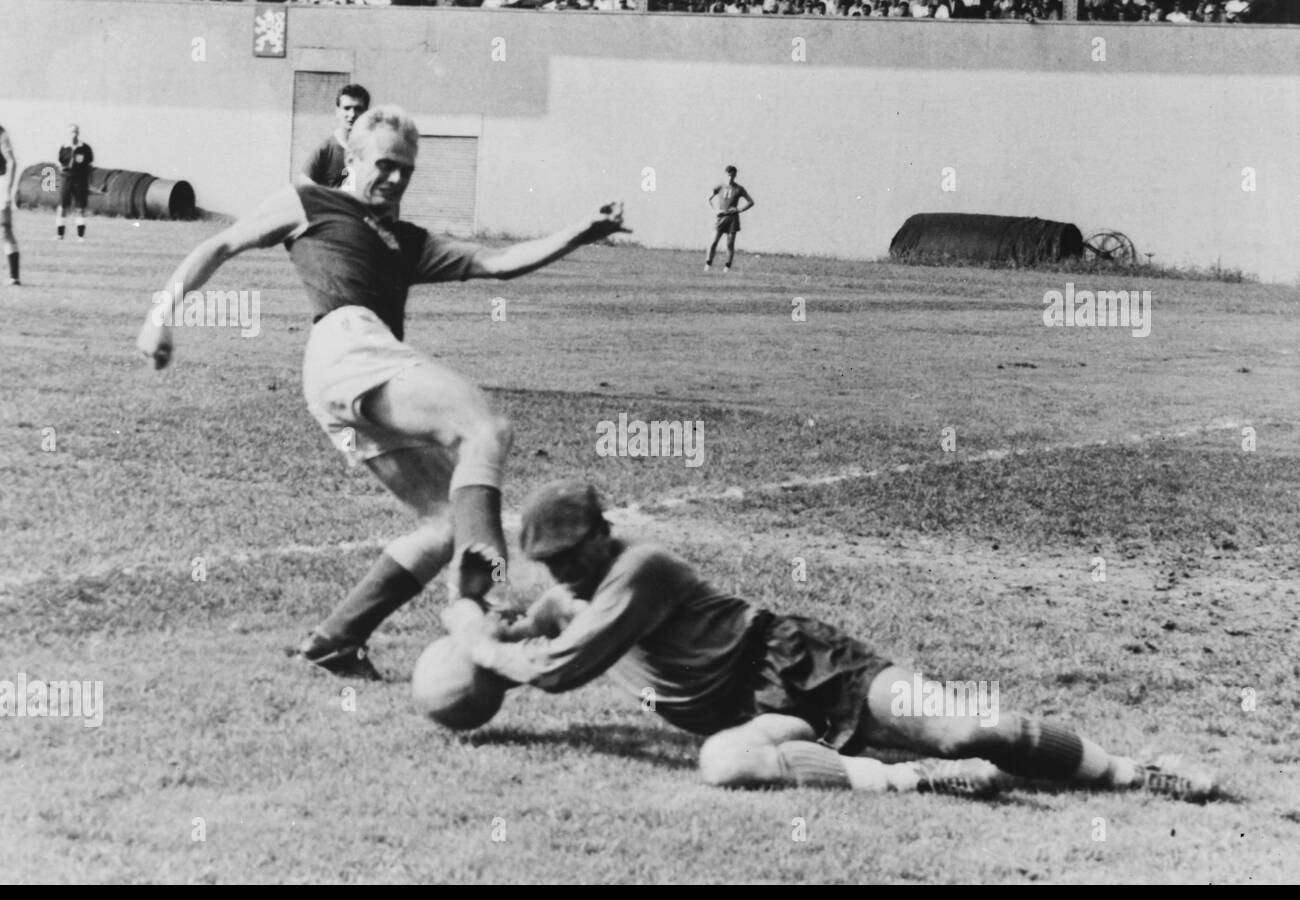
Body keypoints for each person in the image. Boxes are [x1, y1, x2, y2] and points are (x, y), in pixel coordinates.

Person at [135, 107, 628, 681]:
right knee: (484, 427)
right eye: (385, 165)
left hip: (351, 381)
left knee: (444, 524)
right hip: (348, 348)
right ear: (353, 160)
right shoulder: (311, 201)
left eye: (406, 171)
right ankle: (494, 600)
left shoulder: (407, 241)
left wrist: (580, 233)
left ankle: (334, 642)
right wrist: (159, 318)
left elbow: (496, 264)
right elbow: (219, 246)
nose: (395, 180)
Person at [442, 480, 1219, 802]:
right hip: (749, 712)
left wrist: (476, 638)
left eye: (574, 555)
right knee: (725, 763)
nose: (565, 573)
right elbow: (523, 655)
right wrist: (481, 626)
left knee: (972, 727)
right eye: (551, 564)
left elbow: (554, 672)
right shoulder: (564, 598)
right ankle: (904, 779)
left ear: (604, 536)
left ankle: (1133, 771)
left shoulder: (638, 569)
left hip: (800, 658)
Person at [300, 84, 371, 189]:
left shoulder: (373, 149)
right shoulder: (325, 150)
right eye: (347, 108)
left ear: (366, 113)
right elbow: (305, 189)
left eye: (358, 109)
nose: (352, 114)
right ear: (337, 111)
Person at [704, 165, 754, 273]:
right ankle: (708, 265)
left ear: (735, 175)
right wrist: (715, 211)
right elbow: (708, 199)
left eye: (732, 175)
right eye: (728, 175)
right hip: (721, 217)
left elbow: (751, 202)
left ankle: (727, 267)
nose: (730, 178)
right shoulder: (720, 186)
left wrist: (739, 210)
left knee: (730, 244)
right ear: (725, 174)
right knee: (713, 242)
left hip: (732, 219)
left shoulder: (739, 189)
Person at [56, 124, 94, 241]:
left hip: (80, 180)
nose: (74, 134)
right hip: (66, 178)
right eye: (71, 132)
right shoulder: (64, 147)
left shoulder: (85, 148)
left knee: (80, 208)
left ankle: (80, 236)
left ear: (78, 133)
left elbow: (89, 163)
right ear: (68, 133)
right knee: (62, 207)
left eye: (75, 132)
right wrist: (61, 168)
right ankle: (60, 235)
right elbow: (58, 162)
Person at [1, 123, 19, 285]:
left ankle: (14, 276)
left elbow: (12, 162)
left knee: (4, 230)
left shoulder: (1, 133)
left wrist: (7, 190)